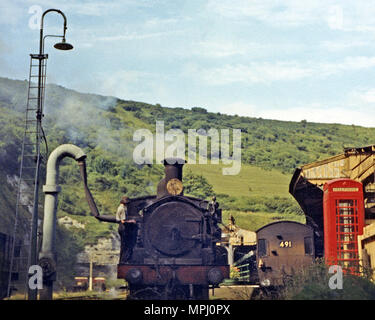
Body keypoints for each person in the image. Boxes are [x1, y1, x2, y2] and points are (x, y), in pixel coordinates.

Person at [116, 196, 137, 263]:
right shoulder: (122, 209)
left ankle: (124, 260)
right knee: (127, 244)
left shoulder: (120, 208)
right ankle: (125, 260)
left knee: (124, 245)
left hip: (121, 227)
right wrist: (132, 221)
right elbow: (123, 221)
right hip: (123, 227)